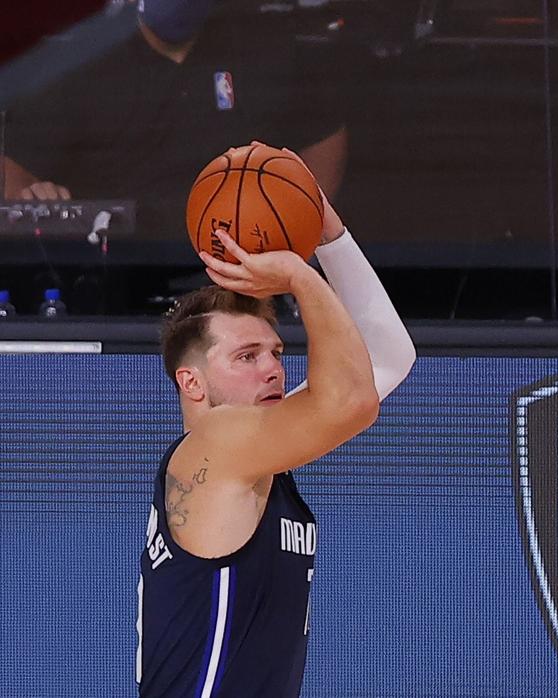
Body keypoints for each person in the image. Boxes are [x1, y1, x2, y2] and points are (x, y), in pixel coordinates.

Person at [138, 147, 414, 697]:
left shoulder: (252, 454)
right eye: (246, 356)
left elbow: (387, 358)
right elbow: (355, 400)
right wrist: (299, 275)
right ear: (190, 383)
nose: (272, 369)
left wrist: (325, 227)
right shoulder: (217, 447)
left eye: (276, 352)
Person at [2, 0, 347, 239]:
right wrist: (36, 201)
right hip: (114, 267)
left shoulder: (260, 47)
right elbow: (17, 176)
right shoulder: (81, 62)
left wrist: (297, 226)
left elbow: (323, 132)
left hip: (242, 262)